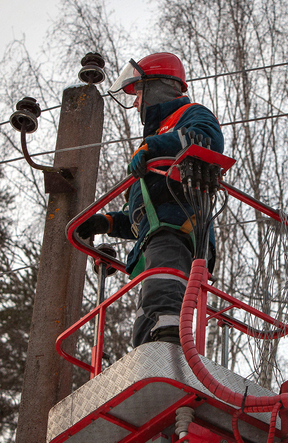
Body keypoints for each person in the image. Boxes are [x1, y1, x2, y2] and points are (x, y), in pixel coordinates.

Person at [76, 52, 224, 346]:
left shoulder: (189, 114)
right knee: (148, 308)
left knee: (163, 285)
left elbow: (208, 138)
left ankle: (168, 335)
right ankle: (149, 348)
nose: (135, 103)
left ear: (158, 86)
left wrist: (153, 146)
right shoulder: (151, 147)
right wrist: (105, 222)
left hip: (180, 226)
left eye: (139, 92)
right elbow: (138, 215)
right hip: (156, 233)